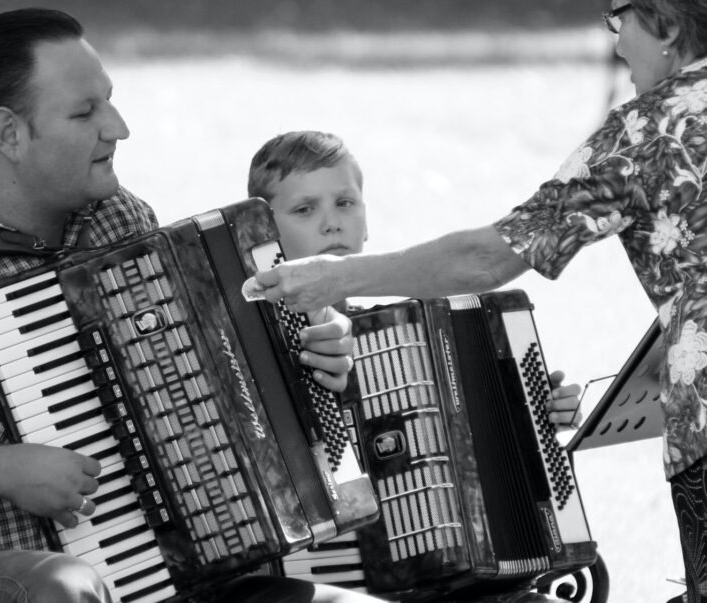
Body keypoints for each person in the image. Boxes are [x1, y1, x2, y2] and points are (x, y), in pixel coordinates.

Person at [0, 9, 374, 603]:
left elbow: (213, 384)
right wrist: (1, 471)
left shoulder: (116, 218)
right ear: (9, 135)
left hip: (172, 570)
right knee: (65, 589)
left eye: (110, 102)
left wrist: (310, 358)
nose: (119, 128)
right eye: (85, 113)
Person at [253, 2, 707, 601]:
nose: (616, 41)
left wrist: (335, 281)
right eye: (306, 210)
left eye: (620, 17)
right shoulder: (264, 338)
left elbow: (488, 259)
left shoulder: (652, 130)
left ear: (669, 28)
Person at [248, 130, 582, 602]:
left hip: (475, 579)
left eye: (346, 203)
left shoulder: (420, 328)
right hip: (351, 581)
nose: (332, 224)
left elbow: (491, 455)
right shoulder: (264, 349)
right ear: (266, 238)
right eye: (305, 210)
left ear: (366, 222)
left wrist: (533, 422)